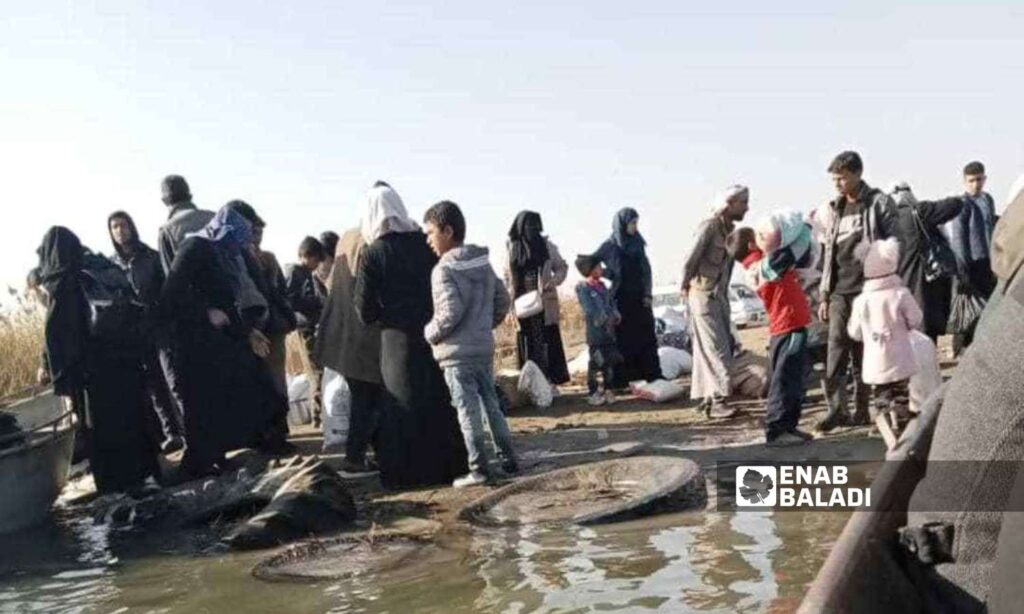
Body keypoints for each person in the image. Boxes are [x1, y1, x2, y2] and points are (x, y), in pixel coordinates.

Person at [158, 205, 288, 478]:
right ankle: (198, 463)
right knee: (200, 406)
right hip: (192, 343)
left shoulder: (217, 252)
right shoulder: (193, 248)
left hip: (215, 342)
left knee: (224, 399)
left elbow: (225, 305)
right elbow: (171, 295)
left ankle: (216, 456)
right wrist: (204, 311)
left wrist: (247, 332)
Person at [354, 183, 468, 489]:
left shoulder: (373, 253)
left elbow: (363, 309)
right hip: (431, 333)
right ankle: (451, 465)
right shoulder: (423, 242)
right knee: (436, 398)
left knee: (402, 404)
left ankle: (406, 473)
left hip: (395, 340)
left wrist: (385, 318)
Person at [38, 227, 160, 495]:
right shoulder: (99, 268)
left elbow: (58, 336)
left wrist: (60, 379)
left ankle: (118, 487)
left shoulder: (62, 281)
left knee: (103, 430)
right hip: (125, 362)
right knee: (134, 419)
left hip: (94, 373)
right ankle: (147, 475)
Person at [422, 200, 517, 488]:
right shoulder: (483, 264)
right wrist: (482, 326)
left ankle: (479, 469)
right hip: (482, 348)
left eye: (430, 233)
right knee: (492, 406)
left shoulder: (443, 270)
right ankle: (509, 461)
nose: (428, 240)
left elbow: (449, 313)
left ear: (447, 231)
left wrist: (429, 333)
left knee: (467, 411)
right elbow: (503, 301)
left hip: (456, 355)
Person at [817, 151, 898, 432]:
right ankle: (837, 409)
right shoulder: (834, 209)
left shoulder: (878, 203)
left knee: (869, 350)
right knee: (836, 348)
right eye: (834, 179)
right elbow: (828, 254)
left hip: (870, 290)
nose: (837, 184)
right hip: (840, 291)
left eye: (841, 178)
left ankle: (865, 408)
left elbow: (894, 244)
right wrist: (825, 295)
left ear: (857, 174)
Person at [729, 222, 815, 447]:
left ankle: (789, 426)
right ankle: (777, 430)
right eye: (759, 236)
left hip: (788, 327)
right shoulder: (765, 267)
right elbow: (795, 246)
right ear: (751, 244)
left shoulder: (760, 266)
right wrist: (803, 226)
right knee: (784, 379)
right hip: (788, 327)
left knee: (793, 379)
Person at [108, 211, 184, 454]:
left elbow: (168, 288)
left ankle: (191, 430)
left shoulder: (150, 256)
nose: (120, 230)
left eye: (123, 225)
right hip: (136, 332)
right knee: (154, 387)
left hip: (160, 326)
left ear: (132, 226)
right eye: (115, 227)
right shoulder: (112, 265)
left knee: (174, 380)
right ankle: (172, 433)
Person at [315, 226, 384, 474]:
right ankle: (354, 459)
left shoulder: (347, 238)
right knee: (367, 399)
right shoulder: (368, 240)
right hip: (360, 336)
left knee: (366, 399)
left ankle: (372, 455)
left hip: (342, 334)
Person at [846, 238, 923, 449]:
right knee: (900, 393)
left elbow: (854, 332)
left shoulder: (861, 301)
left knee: (881, 393)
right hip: (900, 358)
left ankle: (884, 420)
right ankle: (903, 426)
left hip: (874, 361)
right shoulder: (900, 294)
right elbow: (915, 319)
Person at [681, 188, 749, 418]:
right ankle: (720, 401)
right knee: (716, 349)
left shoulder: (731, 231)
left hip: (719, 296)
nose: (747, 208)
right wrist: (683, 286)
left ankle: (708, 399)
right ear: (729, 204)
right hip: (702, 295)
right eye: (743, 203)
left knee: (715, 348)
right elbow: (691, 258)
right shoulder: (709, 227)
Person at [155, 174, 215, 437]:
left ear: (165, 201)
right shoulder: (213, 217)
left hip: (199, 318)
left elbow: (174, 281)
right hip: (232, 309)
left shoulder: (168, 231)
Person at [228, 201, 297, 406]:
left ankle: (278, 427)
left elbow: (278, 291)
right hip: (258, 325)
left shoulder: (263, 258)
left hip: (269, 326)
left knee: (275, 378)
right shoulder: (242, 256)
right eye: (255, 231)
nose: (257, 236)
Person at [593, 208, 663, 390]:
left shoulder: (638, 244)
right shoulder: (609, 246)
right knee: (623, 340)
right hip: (620, 301)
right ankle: (621, 380)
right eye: (632, 223)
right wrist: (609, 274)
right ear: (622, 224)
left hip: (640, 299)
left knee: (647, 337)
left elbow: (646, 272)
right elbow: (589, 263)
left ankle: (653, 374)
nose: (635, 227)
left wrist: (647, 294)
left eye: (636, 223)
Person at [888, 183, 964, 342]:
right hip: (925, 286)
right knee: (928, 332)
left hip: (899, 288)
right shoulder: (918, 212)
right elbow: (954, 205)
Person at [505, 211, 571, 391]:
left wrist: (554, 281)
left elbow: (562, 267)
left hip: (544, 302)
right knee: (527, 343)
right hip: (521, 304)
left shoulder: (546, 246)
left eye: (535, 226)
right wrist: (509, 310)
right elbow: (507, 280)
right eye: (528, 226)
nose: (532, 230)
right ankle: (531, 386)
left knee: (547, 341)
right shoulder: (512, 248)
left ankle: (550, 382)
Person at [945, 161, 999, 354]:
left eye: (979, 179)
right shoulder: (962, 204)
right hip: (971, 265)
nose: (976, 184)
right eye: (971, 180)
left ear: (984, 179)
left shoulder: (987, 200)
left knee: (991, 307)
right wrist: (962, 271)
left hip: (989, 263)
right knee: (972, 311)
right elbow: (959, 239)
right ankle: (968, 348)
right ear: (964, 181)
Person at [574, 254, 622, 407]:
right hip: (596, 333)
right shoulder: (583, 287)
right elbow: (589, 309)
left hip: (609, 333)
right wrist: (603, 318)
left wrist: (615, 314)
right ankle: (593, 392)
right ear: (590, 270)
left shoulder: (603, 286)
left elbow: (611, 303)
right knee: (596, 362)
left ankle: (608, 389)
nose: (601, 269)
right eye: (598, 267)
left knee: (609, 363)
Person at [286, 236, 328, 346]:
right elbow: (291, 301)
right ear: (305, 255)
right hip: (299, 328)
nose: (317, 265)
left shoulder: (308, 274)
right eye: (315, 260)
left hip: (310, 327)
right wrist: (317, 301)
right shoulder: (294, 272)